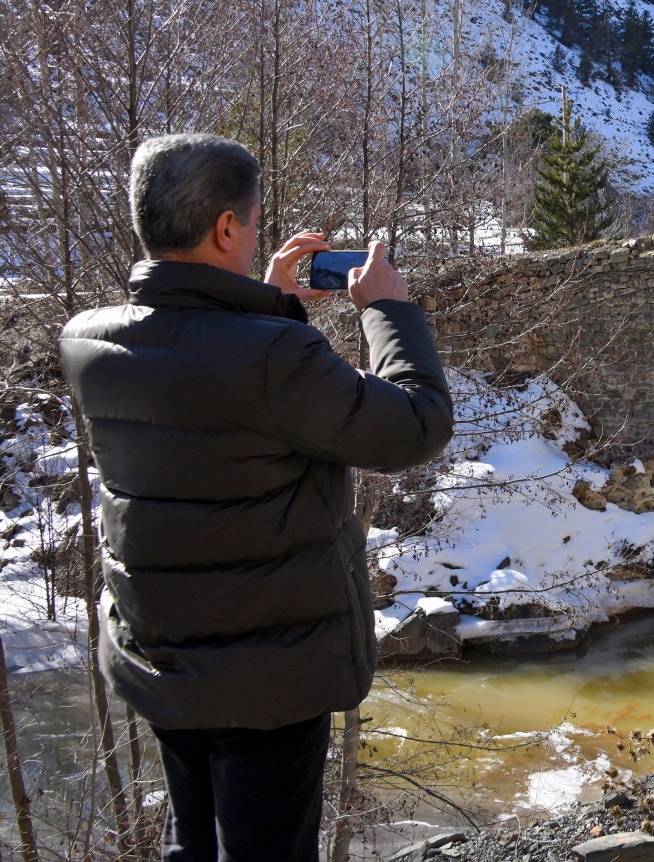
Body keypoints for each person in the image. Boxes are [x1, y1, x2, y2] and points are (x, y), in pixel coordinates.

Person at [59, 134, 454, 861]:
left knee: (193, 843)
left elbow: (215, 393)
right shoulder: (272, 358)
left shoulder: (88, 342)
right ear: (226, 229)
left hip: (161, 657)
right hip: (267, 677)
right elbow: (417, 424)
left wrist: (263, 300)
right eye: (251, 216)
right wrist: (386, 310)